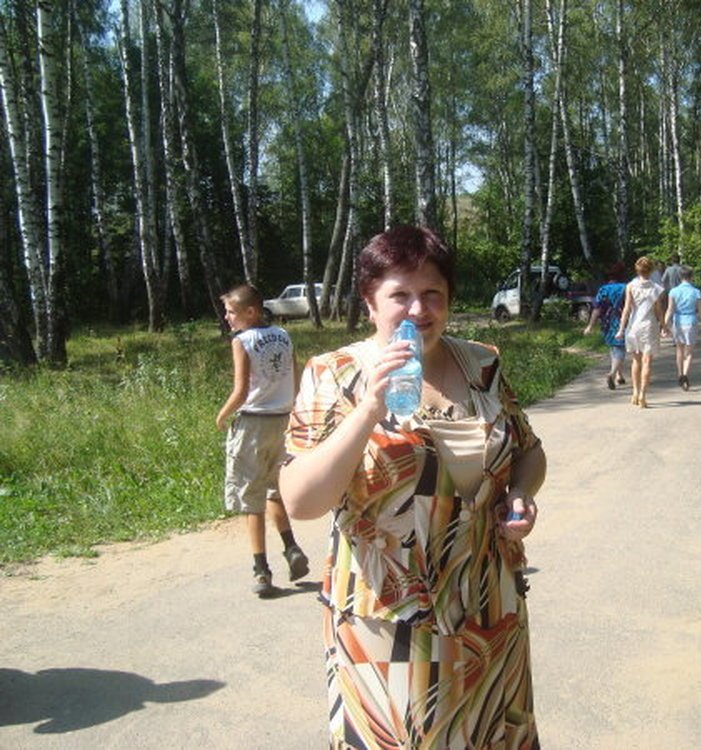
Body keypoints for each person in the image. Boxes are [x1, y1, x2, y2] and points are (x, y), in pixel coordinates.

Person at [279, 226, 545, 749]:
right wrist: (369, 409)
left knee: (495, 736)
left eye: (432, 293)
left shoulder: (481, 363)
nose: (418, 309)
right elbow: (301, 501)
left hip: (491, 607)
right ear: (370, 302)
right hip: (391, 621)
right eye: (400, 294)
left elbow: (529, 452)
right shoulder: (334, 374)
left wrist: (520, 493)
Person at [215, 284, 310, 597]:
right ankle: (291, 548)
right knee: (274, 491)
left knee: (250, 497)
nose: (227, 318)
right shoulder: (284, 336)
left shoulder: (242, 341)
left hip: (254, 425)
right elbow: (295, 382)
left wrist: (222, 414)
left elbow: (241, 389)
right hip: (283, 421)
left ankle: (261, 570)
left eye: (231, 312)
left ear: (250, 312)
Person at [616, 256, 665, 407]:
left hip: (634, 327)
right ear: (651, 271)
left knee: (636, 361)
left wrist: (621, 329)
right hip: (649, 326)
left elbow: (627, 309)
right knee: (647, 361)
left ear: (637, 270)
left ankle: (635, 392)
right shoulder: (656, 288)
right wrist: (664, 326)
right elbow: (658, 310)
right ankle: (643, 395)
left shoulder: (630, 286)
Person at [583, 261, 628, 390]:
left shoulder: (603, 289)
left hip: (607, 322)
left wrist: (590, 325)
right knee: (620, 348)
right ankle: (612, 374)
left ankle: (619, 375)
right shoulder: (626, 288)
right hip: (622, 321)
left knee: (614, 348)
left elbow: (597, 309)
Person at [663, 266, 701, 390]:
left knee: (679, 350)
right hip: (691, 321)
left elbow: (670, 309)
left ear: (680, 277)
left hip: (678, 321)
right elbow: (700, 311)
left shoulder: (674, 291)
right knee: (689, 351)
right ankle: (686, 374)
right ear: (691, 276)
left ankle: (680, 374)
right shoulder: (696, 292)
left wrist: (664, 325)